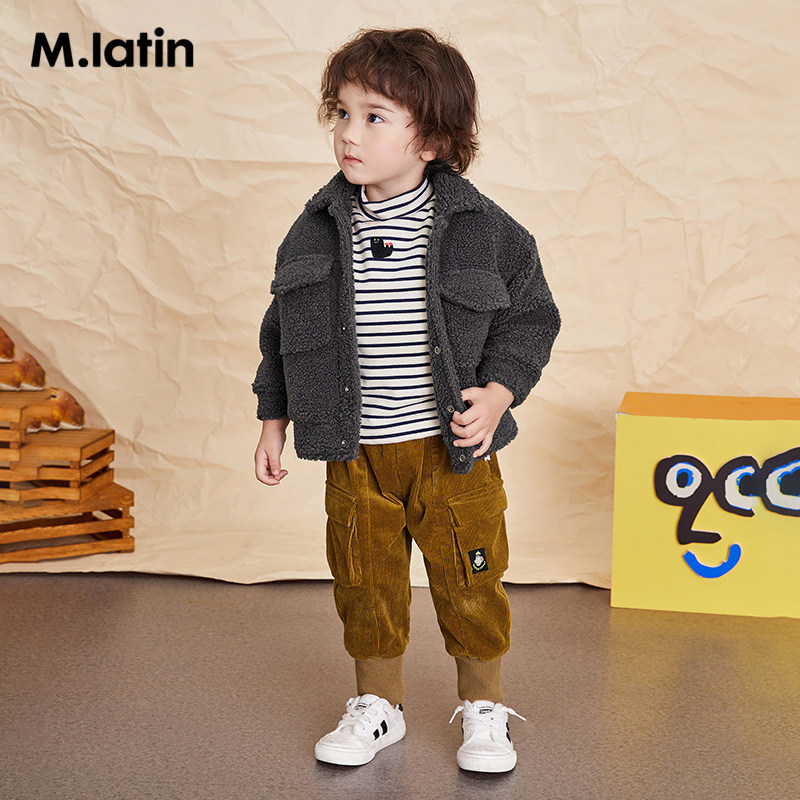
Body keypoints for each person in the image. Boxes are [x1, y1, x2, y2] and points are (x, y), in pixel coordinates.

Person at [253, 27, 560, 773]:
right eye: (341, 113)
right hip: (354, 452)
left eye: (374, 117)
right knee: (365, 582)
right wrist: (273, 419)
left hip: (452, 455)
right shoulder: (316, 231)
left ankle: (484, 707)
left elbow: (531, 315)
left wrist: (499, 393)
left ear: (432, 140)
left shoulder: (484, 231)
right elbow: (282, 328)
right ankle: (378, 706)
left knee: (471, 580)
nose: (348, 133)